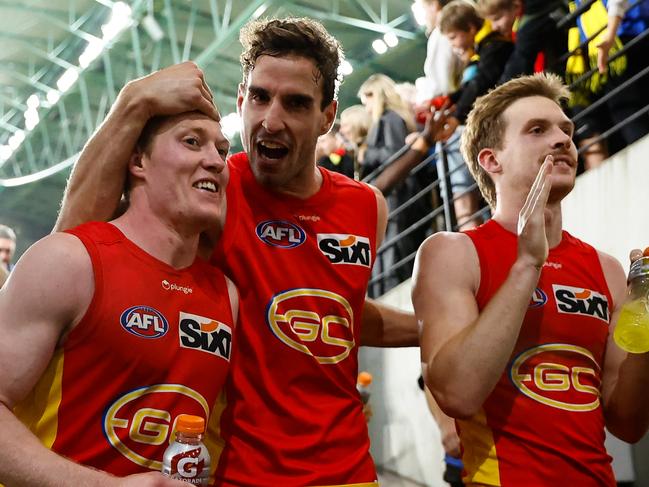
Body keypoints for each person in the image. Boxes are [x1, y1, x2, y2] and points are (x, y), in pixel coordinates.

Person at [55, 17, 418, 487]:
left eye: (295, 103)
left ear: (327, 116)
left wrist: (438, 330)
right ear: (241, 97)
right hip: (240, 470)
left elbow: (334, 310)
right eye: (261, 97)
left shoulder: (367, 207)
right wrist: (133, 102)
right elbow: (76, 240)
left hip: (350, 469)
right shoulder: (212, 189)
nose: (270, 120)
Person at [413, 73, 649, 485]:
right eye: (537, 130)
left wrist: (646, 320)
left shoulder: (606, 268)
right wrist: (527, 265)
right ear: (491, 160)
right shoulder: (454, 252)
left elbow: (628, 424)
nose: (562, 139)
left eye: (566, 129)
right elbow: (458, 394)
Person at [0, 110, 237, 486]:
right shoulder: (69, 261)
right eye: (192, 142)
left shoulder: (226, 294)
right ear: (138, 161)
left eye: (222, 151)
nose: (215, 161)